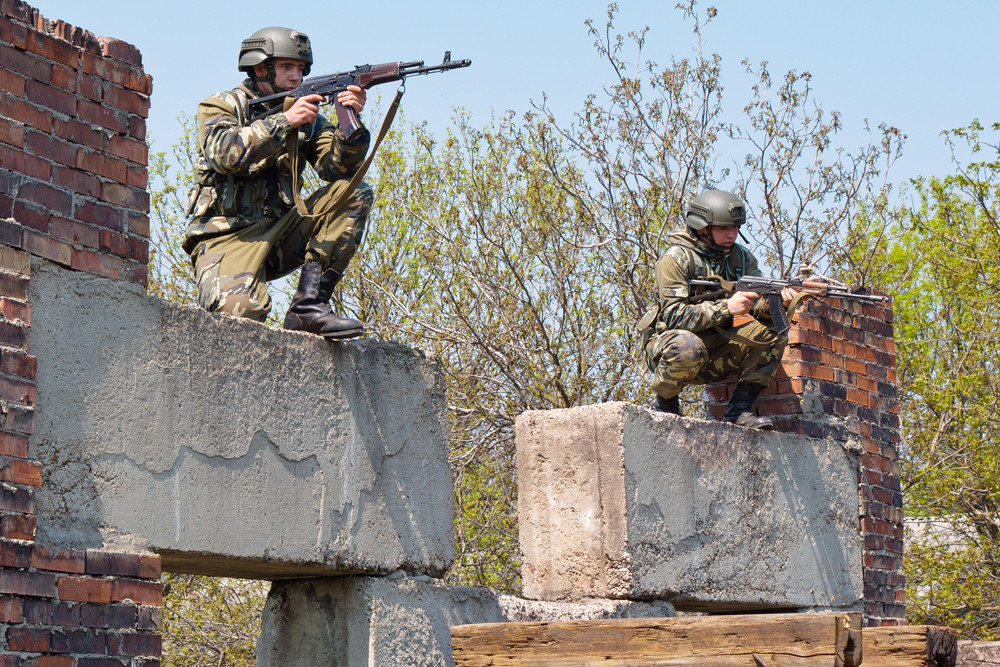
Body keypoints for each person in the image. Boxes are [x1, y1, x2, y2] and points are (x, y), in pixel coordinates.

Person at [182, 27, 373, 339]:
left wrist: (349, 124)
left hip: (280, 232)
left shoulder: (308, 118)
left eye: (300, 69)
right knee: (241, 317)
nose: (296, 77)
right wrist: (285, 121)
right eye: (287, 67)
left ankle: (309, 307)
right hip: (226, 237)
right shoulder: (224, 105)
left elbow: (336, 169)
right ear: (260, 68)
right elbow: (223, 153)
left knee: (354, 193)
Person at [640, 190, 796, 429]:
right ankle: (666, 407)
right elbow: (673, 316)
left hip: (720, 349)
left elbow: (759, 306)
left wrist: (780, 302)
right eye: (724, 228)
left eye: (735, 228)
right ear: (702, 228)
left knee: (773, 330)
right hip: (673, 349)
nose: (732, 234)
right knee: (687, 345)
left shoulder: (741, 259)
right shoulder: (676, 258)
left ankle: (739, 412)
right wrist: (727, 307)